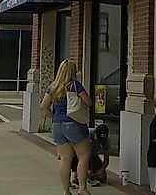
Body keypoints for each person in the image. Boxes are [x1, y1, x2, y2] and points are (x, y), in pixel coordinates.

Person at [41, 59, 94, 195]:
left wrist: (54, 117)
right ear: (73, 72)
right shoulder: (75, 86)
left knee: (65, 159)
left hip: (57, 125)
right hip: (74, 123)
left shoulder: (52, 87)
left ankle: (66, 191)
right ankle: (82, 188)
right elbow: (88, 102)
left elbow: (44, 106)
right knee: (84, 155)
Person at [70, 123, 110, 188]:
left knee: (103, 178)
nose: (100, 141)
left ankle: (92, 176)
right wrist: (86, 169)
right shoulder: (86, 134)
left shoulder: (107, 140)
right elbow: (77, 152)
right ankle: (76, 176)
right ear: (95, 133)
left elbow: (106, 160)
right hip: (79, 154)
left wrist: (102, 169)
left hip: (93, 156)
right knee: (74, 160)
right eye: (99, 139)